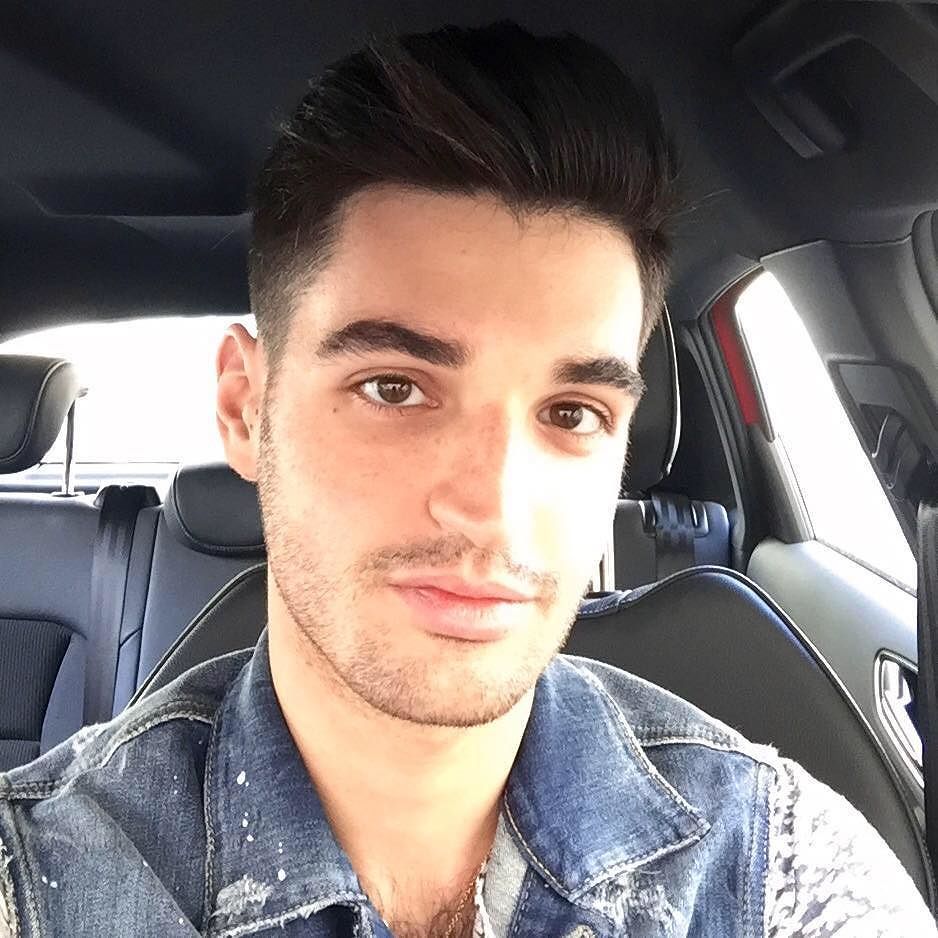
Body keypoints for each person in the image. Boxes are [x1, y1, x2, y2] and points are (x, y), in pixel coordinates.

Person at [0, 21, 935, 938]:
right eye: (395, 388)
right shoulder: (37, 879)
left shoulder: (776, 869)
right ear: (247, 408)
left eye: (572, 412)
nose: (494, 507)